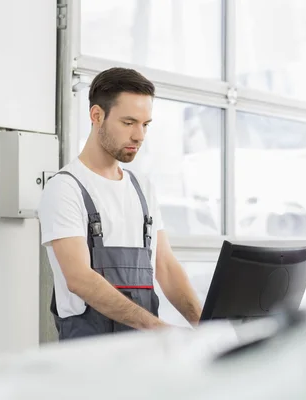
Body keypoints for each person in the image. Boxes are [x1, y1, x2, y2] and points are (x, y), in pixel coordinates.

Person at [38, 67, 202, 340]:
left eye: (145, 124)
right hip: (90, 356)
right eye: (128, 123)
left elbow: (166, 267)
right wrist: (161, 331)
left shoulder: (142, 189)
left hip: (144, 351)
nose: (139, 136)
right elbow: (79, 279)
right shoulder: (65, 188)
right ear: (96, 116)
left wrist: (206, 325)